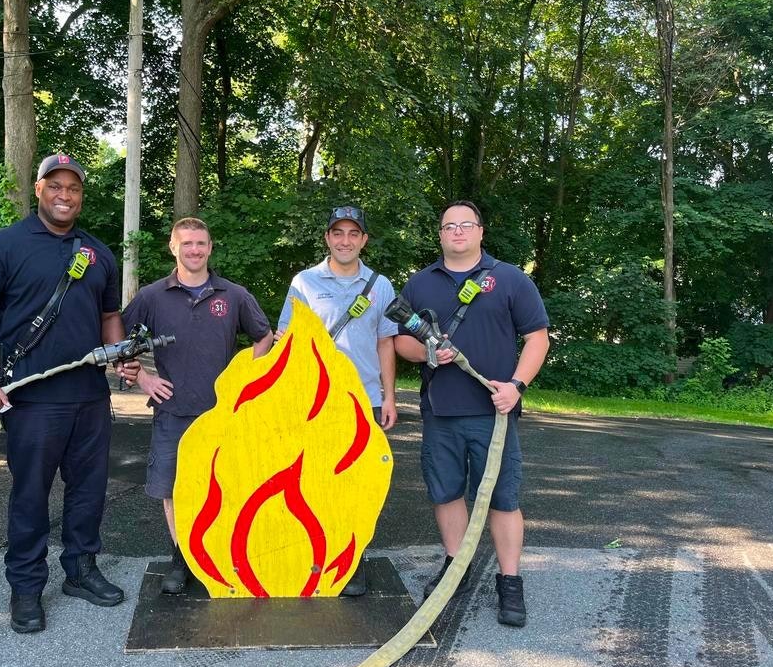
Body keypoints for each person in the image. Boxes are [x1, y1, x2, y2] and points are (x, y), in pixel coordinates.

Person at [0, 153, 141, 634]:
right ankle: (26, 587)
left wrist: (120, 353)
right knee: (31, 496)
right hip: (32, 399)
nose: (65, 195)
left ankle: (80, 569)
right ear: (38, 189)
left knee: (89, 491)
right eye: (55, 186)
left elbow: (107, 318)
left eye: (73, 188)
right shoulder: (4, 246)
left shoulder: (97, 253)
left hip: (89, 398)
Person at [394, 200, 549, 627]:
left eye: (466, 225)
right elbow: (400, 344)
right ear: (440, 234)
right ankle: (455, 567)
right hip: (440, 411)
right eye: (449, 226)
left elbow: (537, 338)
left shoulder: (510, 279)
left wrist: (516, 387)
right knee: (446, 493)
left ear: (481, 231)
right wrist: (427, 351)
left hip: (493, 413)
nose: (457, 232)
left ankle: (510, 581)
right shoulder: (420, 284)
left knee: (502, 498)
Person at [122, 217, 274, 594]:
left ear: (210, 247)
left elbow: (265, 335)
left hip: (224, 414)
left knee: (228, 485)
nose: (194, 250)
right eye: (186, 243)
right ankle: (182, 558)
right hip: (173, 411)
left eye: (201, 243)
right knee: (174, 489)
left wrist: (245, 380)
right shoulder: (151, 296)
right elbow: (119, 343)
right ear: (173, 247)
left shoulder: (233, 295)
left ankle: (223, 553)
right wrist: (143, 378)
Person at [276, 204, 398, 597]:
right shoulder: (305, 282)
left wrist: (389, 397)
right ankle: (312, 556)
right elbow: (286, 339)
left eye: (353, 234)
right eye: (337, 233)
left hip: (364, 399)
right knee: (311, 482)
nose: (345, 240)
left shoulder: (381, 286)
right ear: (327, 238)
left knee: (357, 484)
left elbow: (385, 343)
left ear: (363, 240)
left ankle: (352, 560)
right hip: (314, 401)